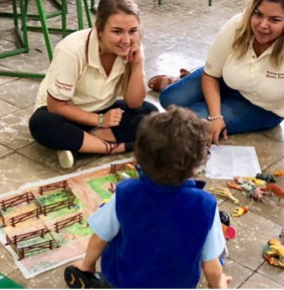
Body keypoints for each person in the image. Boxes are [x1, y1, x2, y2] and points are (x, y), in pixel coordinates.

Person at [64, 106, 232, 289]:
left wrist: (86, 266)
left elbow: (100, 237)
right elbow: (212, 268)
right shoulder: (205, 206)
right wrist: (219, 285)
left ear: (139, 158)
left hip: (121, 280)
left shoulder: (126, 192)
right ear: (195, 166)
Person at [159, 0, 284, 171]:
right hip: (228, 81)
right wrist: (216, 116)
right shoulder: (238, 24)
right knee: (169, 98)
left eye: (275, 20)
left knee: (192, 119)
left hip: (262, 107)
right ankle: (184, 83)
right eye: (258, 14)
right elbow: (211, 74)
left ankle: (192, 87)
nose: (262, 25)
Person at [29, 0, 158, 169]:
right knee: (41, 124)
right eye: (117, 31)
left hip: (103, 110)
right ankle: (114, 147)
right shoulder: (72, 50)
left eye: (133, 31)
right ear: (99, 29)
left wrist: (137, 65)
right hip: (63, 113)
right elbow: (56, 106)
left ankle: (80, 146)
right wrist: (99, 121)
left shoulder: (132, 49)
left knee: (151, 114)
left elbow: (134, 103)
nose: (126, 40)